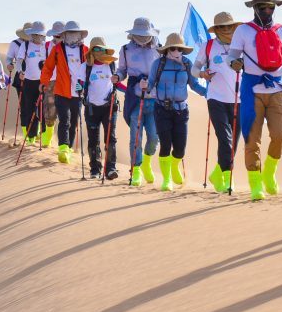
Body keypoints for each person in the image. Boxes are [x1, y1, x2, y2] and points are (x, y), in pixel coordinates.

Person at [228, 0, 282, 200]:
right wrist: (234, 63)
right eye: (262, 7)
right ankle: (255, 184)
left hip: (277, 89)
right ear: (254, 8)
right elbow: (231, 55)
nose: (267, 11)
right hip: (251, 88)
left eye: (270, 7)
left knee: (280, 134)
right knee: (252, 137)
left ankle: (269, 172)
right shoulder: (243, 31)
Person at [144, 33, 208, 191]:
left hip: (181, 111)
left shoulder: (187, 63)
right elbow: (150, 83)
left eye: (179, 49)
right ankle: (167, 180)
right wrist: (144, 86)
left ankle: (174, 166)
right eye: (173, 48)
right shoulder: (158, 64)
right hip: (162, 109)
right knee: (165, 144)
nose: (176, 51)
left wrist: (209, 93)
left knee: (180, 148)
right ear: (167, 49)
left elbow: (194, 85)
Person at [194, 12, 244, 193]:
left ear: (234, 27)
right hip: (216, 98)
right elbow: (194, 68)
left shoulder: (241, 46)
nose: (226, 29)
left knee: (233, 143)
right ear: (216, 29)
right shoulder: (208, 46)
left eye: (229, 26)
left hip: (239, 100)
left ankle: (217, 173)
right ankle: (227, 178)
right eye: (222, 27)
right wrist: (202, 74)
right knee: (225, 138)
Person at [116, 17, 162, 185]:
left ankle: (147, 162)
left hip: (154, 99)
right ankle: (136, 169)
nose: (143, 37)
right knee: (135, 137)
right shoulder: (126, 50)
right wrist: (117, 76)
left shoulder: (159, 48)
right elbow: (122, 71)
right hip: (135, 99)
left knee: (154, 137)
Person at [40, 21, 89, 164]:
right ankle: (63, 148)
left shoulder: (85, 50)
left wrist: (87, 86)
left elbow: (90, 69)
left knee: (74, 122)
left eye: (75, 33)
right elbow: (48, 67)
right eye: (70, 33)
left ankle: (69, 147)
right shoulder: (57, 49)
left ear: (79, 35)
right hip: (61, 91)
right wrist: (44, 82)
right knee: (64, 120)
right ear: (65, 34)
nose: (73, 36)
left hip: (78, 93)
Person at [82, 38, 122, 180]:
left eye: (101, 49)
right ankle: (95, 169)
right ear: (91, 51)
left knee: (110, 138)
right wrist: (79, 88)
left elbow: (118, 83)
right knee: (93, 140)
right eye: (96, 49)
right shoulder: (86, 66)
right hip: (92, 108)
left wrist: (131, 91)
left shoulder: (111, 65)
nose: (99, 51)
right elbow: (79, 83)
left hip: (109, 108)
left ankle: (110, 169)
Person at [12, 21, 49, 143]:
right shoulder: (26, 45)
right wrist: (20, 72)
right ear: (32, 34)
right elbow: (19, 61)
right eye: (36, 34)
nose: (38, 37)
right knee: (30, 108)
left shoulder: (46, 46)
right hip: (29, 81)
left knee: (44, 109)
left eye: (40, 35)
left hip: (43, 82)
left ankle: (44, 135)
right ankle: (31, 136)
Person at [39, 21, 66, 146]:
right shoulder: (46, 46)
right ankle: (48, 136)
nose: (57, 38)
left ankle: (65, 143)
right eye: (55, 35)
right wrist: (42, 64)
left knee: (65, 112)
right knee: (49, 109)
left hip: (65, 82)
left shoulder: (69, 47)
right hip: (50, 82)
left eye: (59, 35)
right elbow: (41, 61)